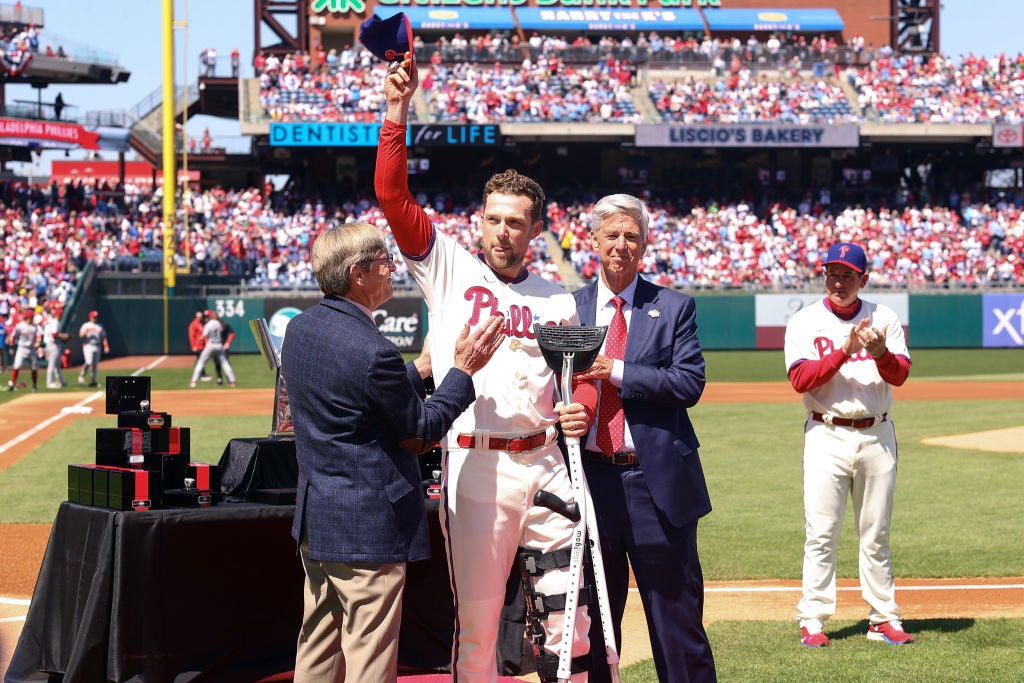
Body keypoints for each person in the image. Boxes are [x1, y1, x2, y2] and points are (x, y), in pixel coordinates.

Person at [376, 49, 599, 683]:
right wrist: (398, 109)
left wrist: (584, 400)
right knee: (476, 622)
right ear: (480, 223)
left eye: (516, 223)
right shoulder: (449, 267)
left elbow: (577, 374)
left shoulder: (556, 296)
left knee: (569, 618)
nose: (503, 232)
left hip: (549, 460)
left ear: (535, 231)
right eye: (493, 220)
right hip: (477, 463)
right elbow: (392, 195)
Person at [281, 223, 505, 682]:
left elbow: (352, 399)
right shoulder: (372, 350)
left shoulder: (301, 330)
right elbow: (420, 431)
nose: (391, 268)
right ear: (357, 273)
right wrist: (461, 372)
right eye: (383, 261)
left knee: (318, 646)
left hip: (318, 519)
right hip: (368, 530)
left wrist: (419, 369)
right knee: (370, 658)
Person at [571, 194, 716, 682]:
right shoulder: (567, 309)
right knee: (593, 625)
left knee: (676, 623)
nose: (621, 245)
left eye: (631, 236)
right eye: (611, 234)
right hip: (589, 483)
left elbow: (688, 384)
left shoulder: (673, 307)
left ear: (645, 244)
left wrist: (619, 371)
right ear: (593, 240)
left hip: (656, 485)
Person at [784, 242, 914, 648]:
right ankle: (813, 619)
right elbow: (801, 381)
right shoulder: (805, 321)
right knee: (821, 532)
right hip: (826, 433)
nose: (838, 282)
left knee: (875, 532)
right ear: (824, 276)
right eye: (832, 273)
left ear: (864, 278)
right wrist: (845, 351)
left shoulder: (885, 317)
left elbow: (900, 375)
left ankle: (883, 618)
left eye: (848, 275)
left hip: (878, 433)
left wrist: (879, 354)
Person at [189, 310, 236, 387]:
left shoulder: (208, 325)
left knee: (200, 362)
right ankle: (232, 381)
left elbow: (203, 336)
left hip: (211, 345)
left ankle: (193, 381)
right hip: (219, 345)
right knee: (225, 363)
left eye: (207, 316)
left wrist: (199, 339)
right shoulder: (218, 323)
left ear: (210, 316)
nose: (206, 318)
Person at [7, 308, 41, 392]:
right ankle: (12, 384)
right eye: (31, 317)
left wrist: (38, 342)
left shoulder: (34, 327)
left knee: (34, 368)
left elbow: (38, 337)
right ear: (27, 317)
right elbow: (13, 337)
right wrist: (11, 347)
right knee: (16, 366)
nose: (32, 318)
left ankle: (35, 385)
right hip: (21, 348)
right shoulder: (20, 326)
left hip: (31, 349)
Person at [77, 310, 109, 388]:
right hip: (88, 345)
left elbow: (104, 337)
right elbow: (80, 335)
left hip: (97, 346)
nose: (95, 318)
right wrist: (86, 332)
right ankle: (81, 375)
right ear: (90, 317)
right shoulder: (86, 325)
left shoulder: (99, 326)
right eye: (94, 317)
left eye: (96, 317)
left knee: (95, 365)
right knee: (88, 362)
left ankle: (93, 381)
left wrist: (106, 346)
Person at [41, 310, 67, 389]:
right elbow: (54, 334)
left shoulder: (52, 322)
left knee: (57, 365)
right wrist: (63, 336)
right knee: (52, 364)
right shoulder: (55, 323)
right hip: (53, 345)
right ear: (59, 315)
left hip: (51, 344)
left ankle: (60, 380)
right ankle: (49, 383)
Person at [188, 310, 213, 381]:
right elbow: (191, 335)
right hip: (198, 346)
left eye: (201, 316)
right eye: (198, 316)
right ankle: (202, 375)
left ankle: (201, 374)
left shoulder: (201, 323)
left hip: (203, 345)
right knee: (201, 361)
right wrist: (193, 346)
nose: (200, 317)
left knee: (201, 360)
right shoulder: (194, 324)